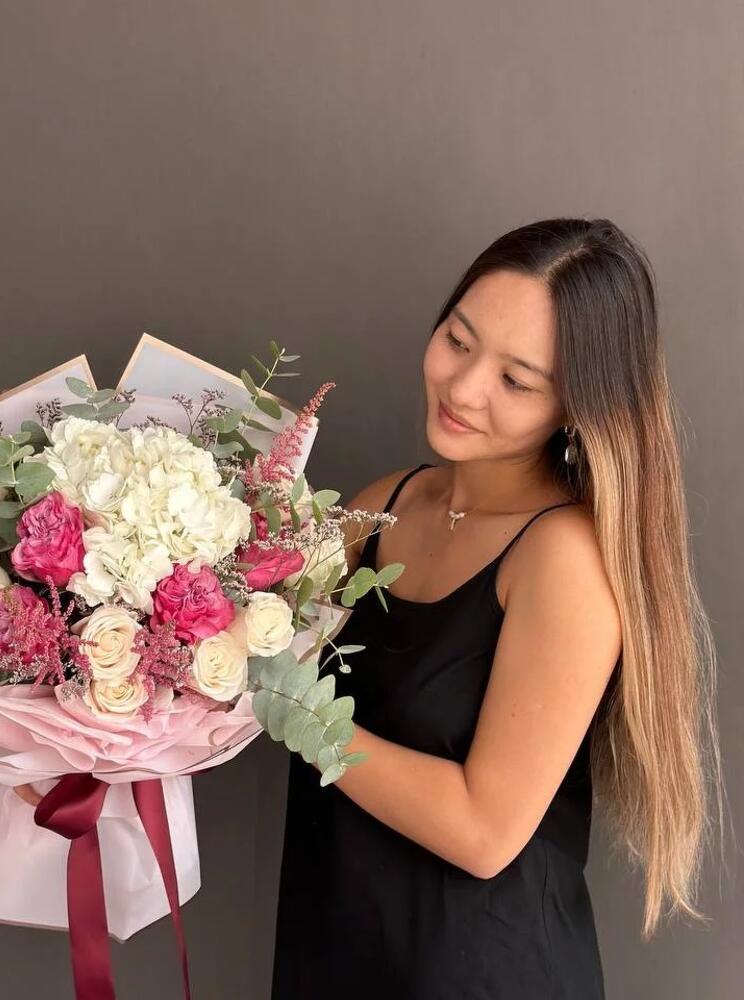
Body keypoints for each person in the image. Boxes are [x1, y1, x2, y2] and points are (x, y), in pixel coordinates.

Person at [271, 218, 726, 998]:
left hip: (480, 974)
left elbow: (485, 832)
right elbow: (230, 627)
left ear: (576, 406)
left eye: (517, 381)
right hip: (337, 951)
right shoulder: (386, 503)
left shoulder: (563, 560)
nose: (463, 388)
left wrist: (301, 719)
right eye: (458, 340)